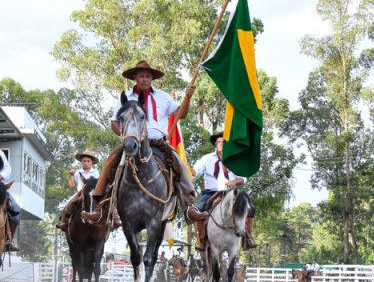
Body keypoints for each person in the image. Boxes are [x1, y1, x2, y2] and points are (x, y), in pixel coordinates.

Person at [83, 61, 206, 222]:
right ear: (135, 77)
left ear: (152, 78)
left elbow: (180, 114)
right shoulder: (126, 97)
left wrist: (188, 98)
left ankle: (189, 206)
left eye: (148, 76)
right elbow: (114, 122)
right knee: (110, 162)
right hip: (133, 143)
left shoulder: (163, 96)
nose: (145, 79)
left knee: (179, 163)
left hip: (158, 143)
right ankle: (102, 208)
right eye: (141, 76)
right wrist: (125, 135)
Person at [191, 132, 257, 250]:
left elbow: (243, 178)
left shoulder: (234, 159)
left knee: (250, 208)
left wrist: (235, 182)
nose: (221, 144)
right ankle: (200, 240)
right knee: (198, 209)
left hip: (230, 193)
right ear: (216, 144)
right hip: (211, 192)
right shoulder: (206, 158)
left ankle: (248, 237)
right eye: (219, 142)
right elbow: (195, 172)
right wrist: (189, 171)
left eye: (224, 142)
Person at [55, 149, 102, 230]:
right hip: (80, 193)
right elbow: (72, 185)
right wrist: (70, 175)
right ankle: (64, 222)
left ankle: (113, 219)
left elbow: (98, 184)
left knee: (105, 202)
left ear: (92, 163)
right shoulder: (77, 172)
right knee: (70, 202)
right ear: (81, 162)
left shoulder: (95, 172)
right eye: (84, 161)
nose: (86, 163)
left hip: (93, 193)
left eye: (88, 161)